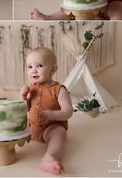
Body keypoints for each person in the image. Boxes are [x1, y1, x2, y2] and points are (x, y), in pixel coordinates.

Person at [21, 47, 73, 175]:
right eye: (29, 67)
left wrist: (53, 114)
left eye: (39, 65)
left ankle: (49, 158)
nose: (33, 70)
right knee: (12, 124)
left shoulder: (59, 90)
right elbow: (25, 108)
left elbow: (68, 111)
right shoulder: (32, 88)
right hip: (32, 127)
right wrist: (23, 98)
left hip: (50, 128)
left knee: (59, 134)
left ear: (53, 69)